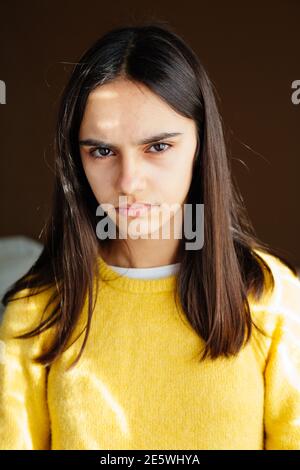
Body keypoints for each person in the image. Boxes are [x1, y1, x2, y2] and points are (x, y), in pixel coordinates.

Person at [1, 20, 300, 451]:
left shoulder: (272, 299)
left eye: (158, 147)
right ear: (76, 159)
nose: (128, 181)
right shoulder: (37, 311)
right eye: (102, 151)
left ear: (200, 147)